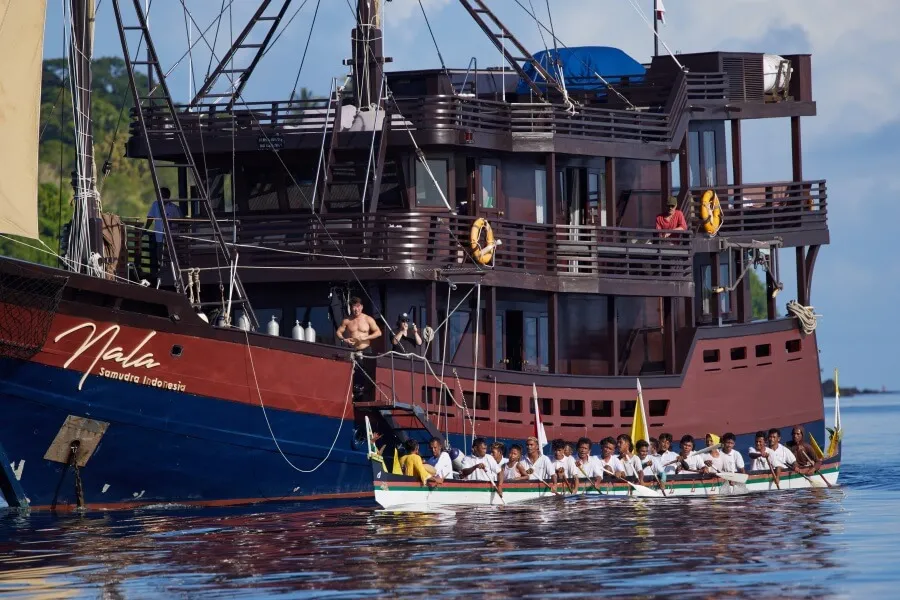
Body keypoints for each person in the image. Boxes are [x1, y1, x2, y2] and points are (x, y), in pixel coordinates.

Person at [336, 297, 382, 400]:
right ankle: (355, 394)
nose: (356, 309)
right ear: (351, 308)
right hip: (353, 351)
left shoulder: (368, 319)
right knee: (354, 373)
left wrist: (365, 337)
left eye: (358, 306)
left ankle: (367, 395)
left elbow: (378, 332)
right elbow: (338, 332)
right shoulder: (347, 320)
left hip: (366, 349)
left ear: (361, 307)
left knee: (367, 373)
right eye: (354, 307)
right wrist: (344, 339)